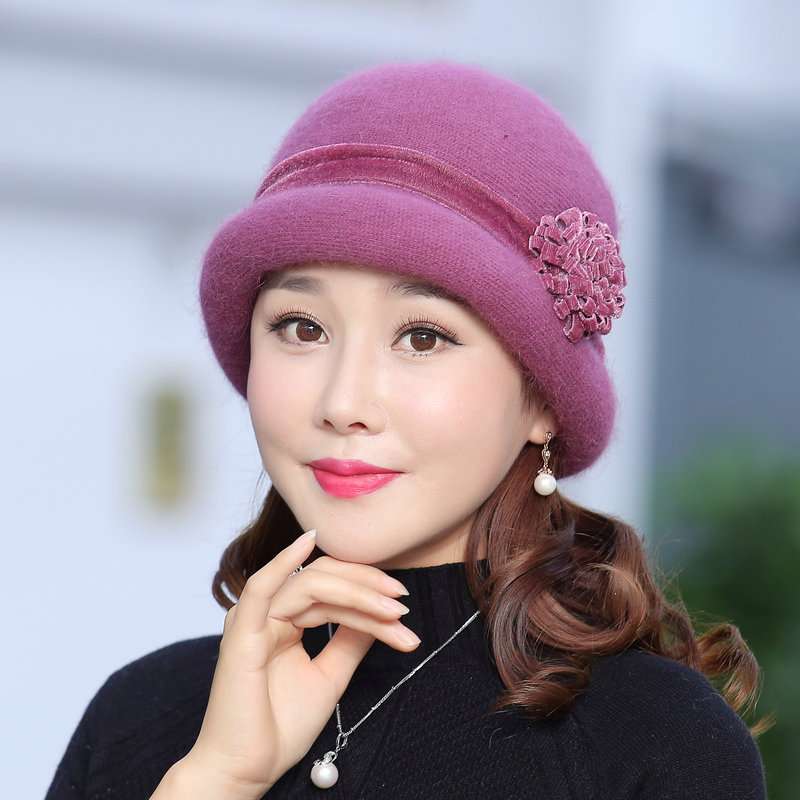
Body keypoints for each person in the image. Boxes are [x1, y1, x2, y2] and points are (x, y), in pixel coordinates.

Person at [45, 62, 767, 800]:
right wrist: (216, 779)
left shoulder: (652, 745)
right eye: (302, 327)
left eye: (422, 337)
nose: (343, 402)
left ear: (543, 398)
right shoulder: (139, 718)